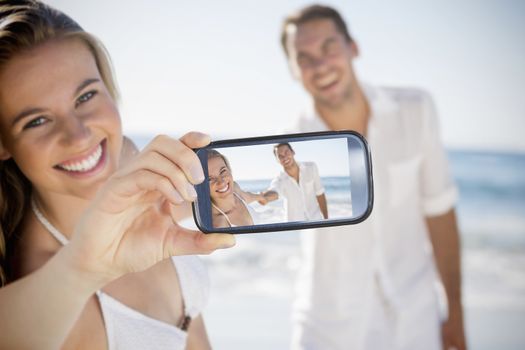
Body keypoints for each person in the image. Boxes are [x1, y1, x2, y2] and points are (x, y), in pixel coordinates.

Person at [0, 1, 234, 349]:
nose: (79, 136)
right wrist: (85, 266)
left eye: (86, 96)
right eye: (37, 121)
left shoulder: (125, 156)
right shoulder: (57, 301)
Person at [279, 4, 466, 350]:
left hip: (416, 317)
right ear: (293, 70)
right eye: (303, 58)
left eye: (329, 47)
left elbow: (440, 211)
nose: (320, 66)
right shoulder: (289, 142)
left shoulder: (416, 110)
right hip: (327, 325)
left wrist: (455, 310)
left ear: (353, 47)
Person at [261, 143, 328, 222]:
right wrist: (264, 198)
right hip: (295, 226)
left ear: (293, 152)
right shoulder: (279, 180)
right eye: (280, 156)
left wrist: (326, 220)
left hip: (316, 220)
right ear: (277, 160)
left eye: (286, 152)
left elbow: (320, 193)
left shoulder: (311, 167)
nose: (285, 157)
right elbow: (274, 192)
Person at [207, 149, 265, 228]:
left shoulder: (235, 190)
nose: (221, 182)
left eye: (223, 171)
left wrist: (262, 197)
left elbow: (249, 196)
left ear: (229, 170)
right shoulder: (218, 224)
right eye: (209, 179)